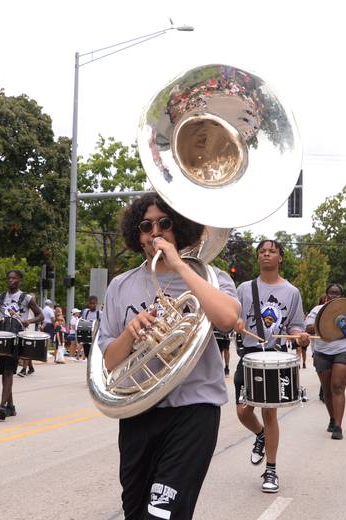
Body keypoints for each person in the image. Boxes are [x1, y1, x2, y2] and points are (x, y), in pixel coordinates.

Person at [97, 193, 239, 519]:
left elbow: (228, 319)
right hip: (139, 410)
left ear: (182, 227)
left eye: (165, 223)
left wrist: (177, 264)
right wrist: (131, 333)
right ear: (137, 233)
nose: (155, 232)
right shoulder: (120, 286)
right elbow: (107, 361)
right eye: (146, 226)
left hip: (193, 411)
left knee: (162, 515)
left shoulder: (211, 277)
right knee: (135, 513)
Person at [233, 239, 308, 493]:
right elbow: (232, 316)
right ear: (258, 258)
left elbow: (296, 325)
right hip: (250, 355)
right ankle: (261, 435)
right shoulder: (244, 288)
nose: (266, 255)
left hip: (275, 356)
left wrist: (299, 336)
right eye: (262, 252)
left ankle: (272, 470)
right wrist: (236, 322)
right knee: (243, 412)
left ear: (280, 258)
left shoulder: (292, 292)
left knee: (269, 413)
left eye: (272, 251)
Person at [0, 270, 44, 420]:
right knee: (4, 372)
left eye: (14, 278)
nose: (11, 280)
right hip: (0, 337)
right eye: (9, 278)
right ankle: (11, 407)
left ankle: (2, 406)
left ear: (20, 280)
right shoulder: (0, 297)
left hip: (16, 338)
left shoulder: (26, 298)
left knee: (9, 372)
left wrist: (28, 321)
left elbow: (40, 315)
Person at [305, 283, 346, 440]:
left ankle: (338, 426)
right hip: (322, 353)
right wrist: (326, 324)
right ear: (326, 294)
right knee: (327, 390)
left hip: (343, 351)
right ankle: (332, 418)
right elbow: (308, 328)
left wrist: (343, 327)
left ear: (341, 296)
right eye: (331, 293)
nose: (333, 296)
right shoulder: (316, 310)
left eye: (337, 293)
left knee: (337, 387)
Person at [80, 296, 101, 361]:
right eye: (91, 303)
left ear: (96, 304)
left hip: (95, 337)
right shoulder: (85, 312)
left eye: (94, 303)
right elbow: (83, 322)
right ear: (88, 304)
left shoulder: (99, 313)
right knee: (88, 355)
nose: (92, 305)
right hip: (87, 337)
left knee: (95, 356)